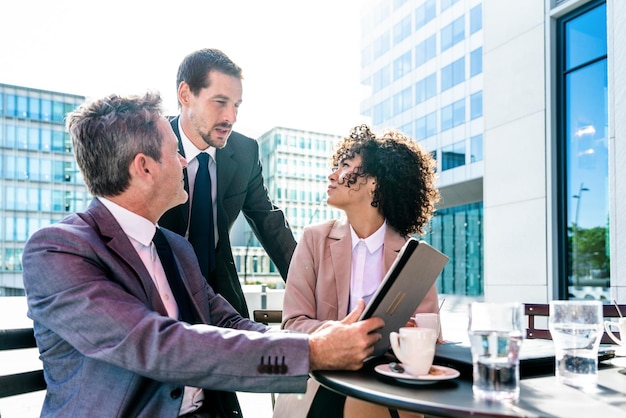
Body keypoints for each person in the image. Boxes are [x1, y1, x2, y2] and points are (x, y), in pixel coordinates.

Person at [21, 93, 384, 418]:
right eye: (173, 151)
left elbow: (229, 323)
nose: (184, 160)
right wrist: (313, 352)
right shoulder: (57, 250)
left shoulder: (176, 248)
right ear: (144, 167)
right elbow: (159, 345)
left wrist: (321, 340)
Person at [274, 124, 442, 418]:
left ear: (374, 182)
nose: (332, 175)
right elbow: (293, 324)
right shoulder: (315, 240)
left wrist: (415, 334)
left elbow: (429, 332)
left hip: (391, 381)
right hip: (325, 378)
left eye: (345, 166)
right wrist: (343, 337)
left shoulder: (411, 255)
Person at [159, 48, 296, 317]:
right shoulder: (152, 141)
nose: (231, 117)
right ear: (185, 95)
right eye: (220, 102)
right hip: (159, 287)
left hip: (221, 294)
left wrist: (310, 290)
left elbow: (268, 221)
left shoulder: (245, 151)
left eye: (236, 105)